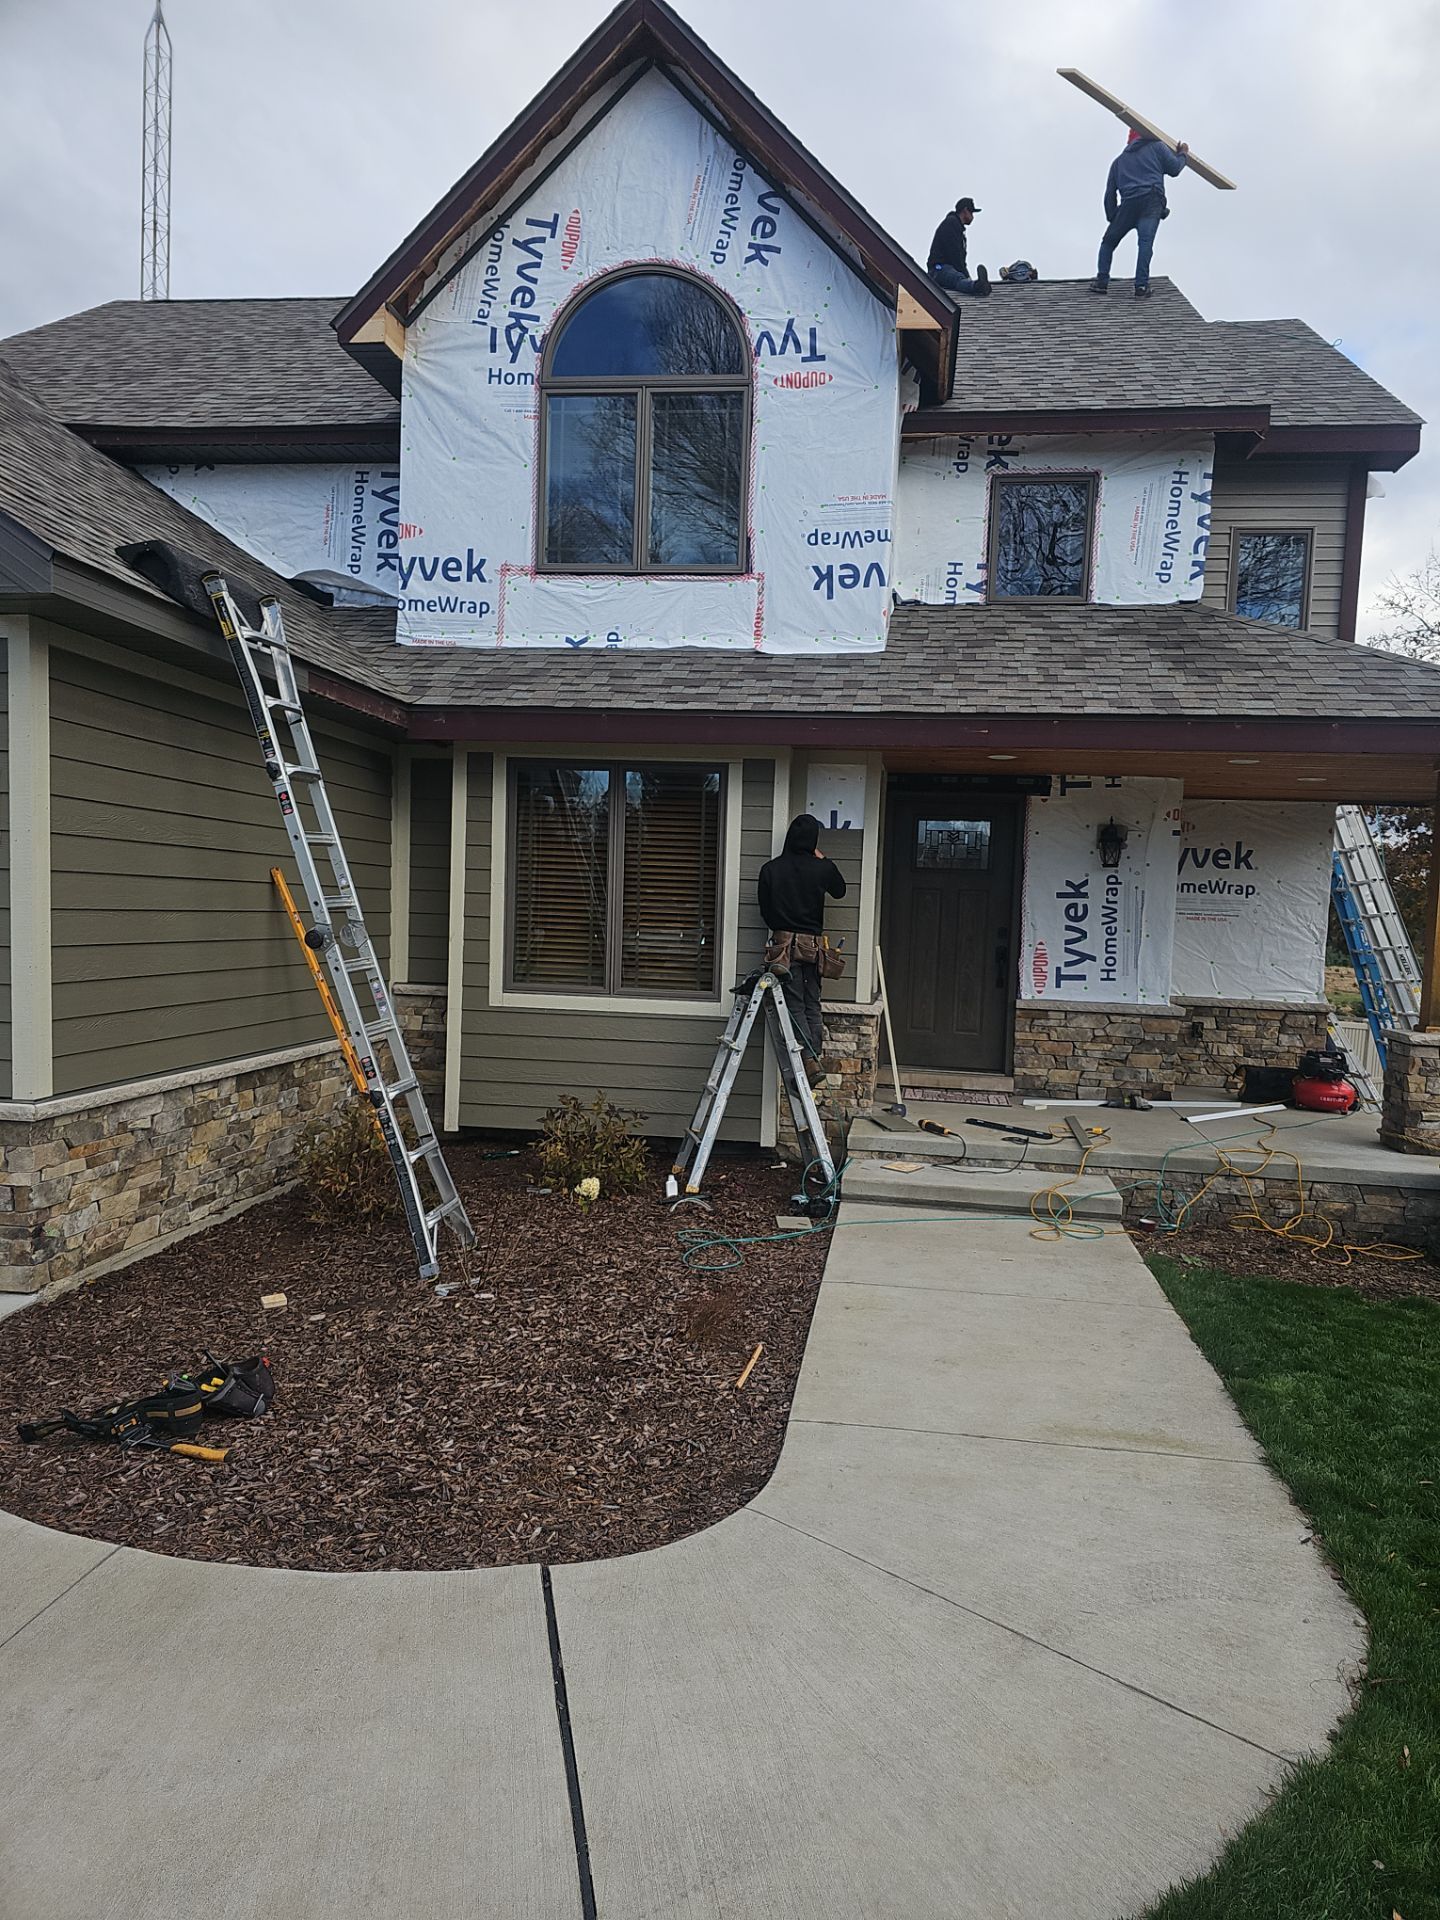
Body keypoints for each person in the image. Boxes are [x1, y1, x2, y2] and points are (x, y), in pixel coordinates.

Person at [757, 814, 847, 1082]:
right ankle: (813, 1058)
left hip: (783, 947)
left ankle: (808, 1060)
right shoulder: (822, 869)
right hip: (812, 947)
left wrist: (781, 927)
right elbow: (840, 890)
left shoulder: (771, 869)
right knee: (811, 1003)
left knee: (794, 1002)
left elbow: (765, 910)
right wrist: (822, 860)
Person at [1089, 128, 1190, 298]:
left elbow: (1109, 194)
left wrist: (1113, 217)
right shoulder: (1157, 147)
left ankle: (1101, 282)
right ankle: (1141, 286)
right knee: (1145, 243)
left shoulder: (1119, 162)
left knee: (1108, 242)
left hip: (1128, 204)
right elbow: (1174, 169)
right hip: (1151, 200)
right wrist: (1183, 154)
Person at [927, 197, 991, 298]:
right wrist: (965, 276)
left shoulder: (958, 229)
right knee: (957, 278)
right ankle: (977, 286)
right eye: (972, 212)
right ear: (965, 211)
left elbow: (959, 258)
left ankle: (974, 284)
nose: (973, 216)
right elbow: (954, 254)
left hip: (947, 268)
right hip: (938, 269)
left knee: (959, 277)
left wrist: (966, 275)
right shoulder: (951, 223)